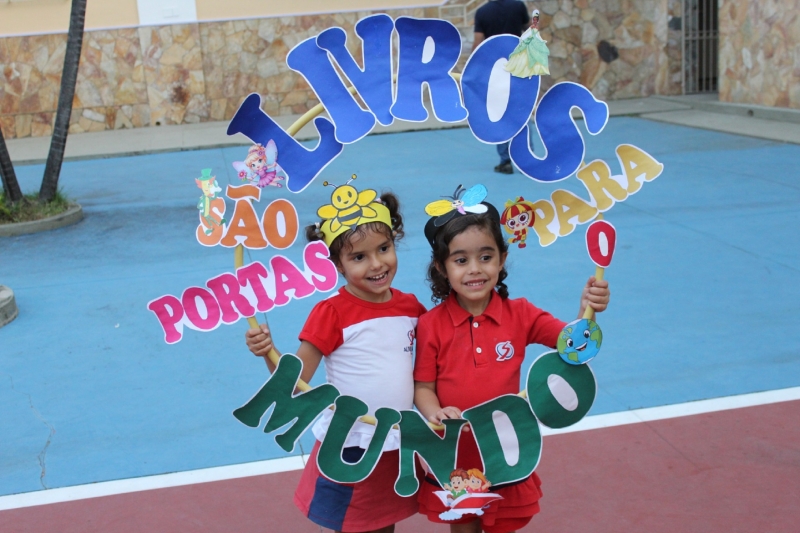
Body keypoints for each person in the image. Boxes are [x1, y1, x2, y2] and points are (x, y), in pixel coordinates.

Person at [413, 193, 610, 533]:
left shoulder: (521, 314)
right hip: (458, 450)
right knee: (463, 527)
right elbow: (423, 388)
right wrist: (436, 413)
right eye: (460, 260)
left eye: (485, 256)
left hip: (506, 448)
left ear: (502, 259)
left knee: (503, 524)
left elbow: (572, 345)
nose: (475, 269)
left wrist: (587, 308)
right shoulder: (430, 325)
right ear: (441, 267)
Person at [245, 183, 426, 533]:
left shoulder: (410, 307)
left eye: (384, 248)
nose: (377, 264)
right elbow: (295, 383)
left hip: (392, 438)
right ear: (337, 265)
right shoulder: (332, 312)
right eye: (359, 257)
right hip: (351, 441)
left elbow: (436, 358)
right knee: (354, 523)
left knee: (383, 522)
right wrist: (267, 350)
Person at [472, 0, 531, 174]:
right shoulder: (518, 6)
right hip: (519, 66)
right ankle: (526, 159)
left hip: (496, 70)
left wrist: (474, 67)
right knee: (521, 112)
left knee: (499, 114)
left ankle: (505, 161)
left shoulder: (482, 12)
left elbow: (478, 42)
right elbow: (531, 29)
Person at [505, 9, 550, 78]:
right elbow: (526, 34)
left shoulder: (535, 28)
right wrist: (524, 39)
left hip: (533, 44)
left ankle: (530, 73)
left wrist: (541, 41)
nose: (535, 21)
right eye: (534, 19)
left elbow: (537, 36)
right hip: (528, 43)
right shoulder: (531, 28)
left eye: (536, 19)